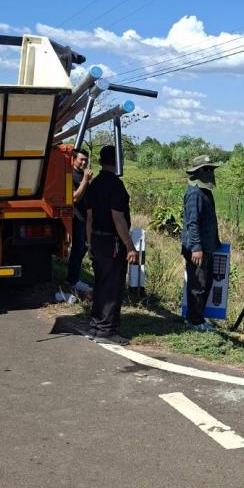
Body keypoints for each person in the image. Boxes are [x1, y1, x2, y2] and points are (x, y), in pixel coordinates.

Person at [84, 145, 137, 345]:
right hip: (112, 243)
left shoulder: (94, 184)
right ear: (118, 161)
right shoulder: (116, 185)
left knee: (100, 283)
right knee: (112, 287)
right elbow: (118, 217)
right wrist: (129, 245)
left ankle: (95, 326)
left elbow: (89, 218)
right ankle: (107, 331)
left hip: (97, 240)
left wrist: (89, 243)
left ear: (100, 162)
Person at [181, 154, 222, 331]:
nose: (210, 172)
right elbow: (192, 223)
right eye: (206, 169)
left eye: (211, 169)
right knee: (197, 285)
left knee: (205, 283)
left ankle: (198, 318)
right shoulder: (195, 193)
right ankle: (194, 321)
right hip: (198, 249)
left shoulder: (205, 191)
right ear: (198, 171)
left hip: (207, 247)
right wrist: (196, 248)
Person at [67, 148, 92, 292]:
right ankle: (73, 280)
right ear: (74, 159)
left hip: (86, 216)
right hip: (77, 216)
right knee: (78, 247)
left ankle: (74, 276)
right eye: (81, 159)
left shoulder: (82, 175)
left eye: (85, 160)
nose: (84, 163)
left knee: (83, 247)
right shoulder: (70, 175)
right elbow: (75, 198)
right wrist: (85, 180)